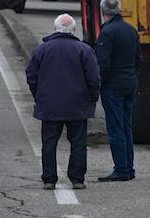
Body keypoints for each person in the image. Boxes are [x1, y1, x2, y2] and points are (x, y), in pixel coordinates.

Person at [25, 14, 100, 190]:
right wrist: (92, 98)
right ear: (73, 29)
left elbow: (31, 77)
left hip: (50, 106)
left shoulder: (41, 50)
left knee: (49, 143)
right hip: (78, 104)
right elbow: (94, 79)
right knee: (78, 143)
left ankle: (49, 179)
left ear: (55, 28)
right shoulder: (84, 50)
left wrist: (39, 97)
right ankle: (77, 179)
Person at [96, 0, 141, 182]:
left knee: (115, 128)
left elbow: (103, 64)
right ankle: (129, 167)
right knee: (126, 126)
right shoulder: (131, 30)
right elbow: (139, 59)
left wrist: (99, 84)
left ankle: (121, 168)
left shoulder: (107, 33)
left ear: (103, 12)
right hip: (130, 82)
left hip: (113, 86)